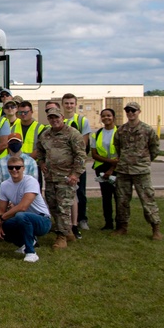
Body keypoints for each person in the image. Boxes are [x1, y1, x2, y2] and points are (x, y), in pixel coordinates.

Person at [0, 156, 52, 262]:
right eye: (11, 167)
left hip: (42, 220)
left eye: (17, 167)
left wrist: (1, 219)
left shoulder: (31, 181)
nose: (14, 170)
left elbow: (23, 207)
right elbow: (1, 209)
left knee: (21, 215)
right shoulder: (5, 185)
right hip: (21, 218)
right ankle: (24, 243)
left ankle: (31, 253)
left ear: (23, 168)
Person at [35, 107, 85, 249]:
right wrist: (42, 162)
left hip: (66, 178)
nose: (54, 120)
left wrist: (75, 174)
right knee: (53, 206)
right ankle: (67, 231)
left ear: (62, 117)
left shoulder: (73, 134)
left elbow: (81, 156)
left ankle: (61, 237)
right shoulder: (45, 135)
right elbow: (40, 151)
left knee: (64, 207)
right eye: (51, 118)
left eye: (56, 117)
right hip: (51, 177)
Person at [113, 102, 162, 239]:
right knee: (122, 200)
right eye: (128, 110)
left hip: (141, 171)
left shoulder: (147, 129)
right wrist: (125, 159)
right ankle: (122, 227)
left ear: (139, 112)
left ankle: (155, 228)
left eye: (133, 110)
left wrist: (144, 161)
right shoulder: (121, 130)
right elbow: (118, 147)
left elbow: (155, 148)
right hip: (123, 171)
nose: (130, 113)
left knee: (147, 200)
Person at [61, 93, 92, 231]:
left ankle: (82, 219)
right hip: (62, 164)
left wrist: (76, 165)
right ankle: (65, 219)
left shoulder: (82, 121)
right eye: (66, 103)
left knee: (80, 193)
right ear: (62, 104)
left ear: (75, 104)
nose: (69, 106)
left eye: (71, 103)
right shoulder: (59, 119)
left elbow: (83, 144)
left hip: (77, 164)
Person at [91, 108, 119, 230]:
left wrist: (112, 168)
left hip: (117, 168)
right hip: (102, 168)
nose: (106, 118)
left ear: (113, 117)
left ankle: (120, 223)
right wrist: (109, 162)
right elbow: (94, 154)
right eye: (103, 116)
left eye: (109, 115)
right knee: (106, 197)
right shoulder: (96, 134)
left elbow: (122, 153)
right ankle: (108, 223)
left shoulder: (120, 132)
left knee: (119, 196)